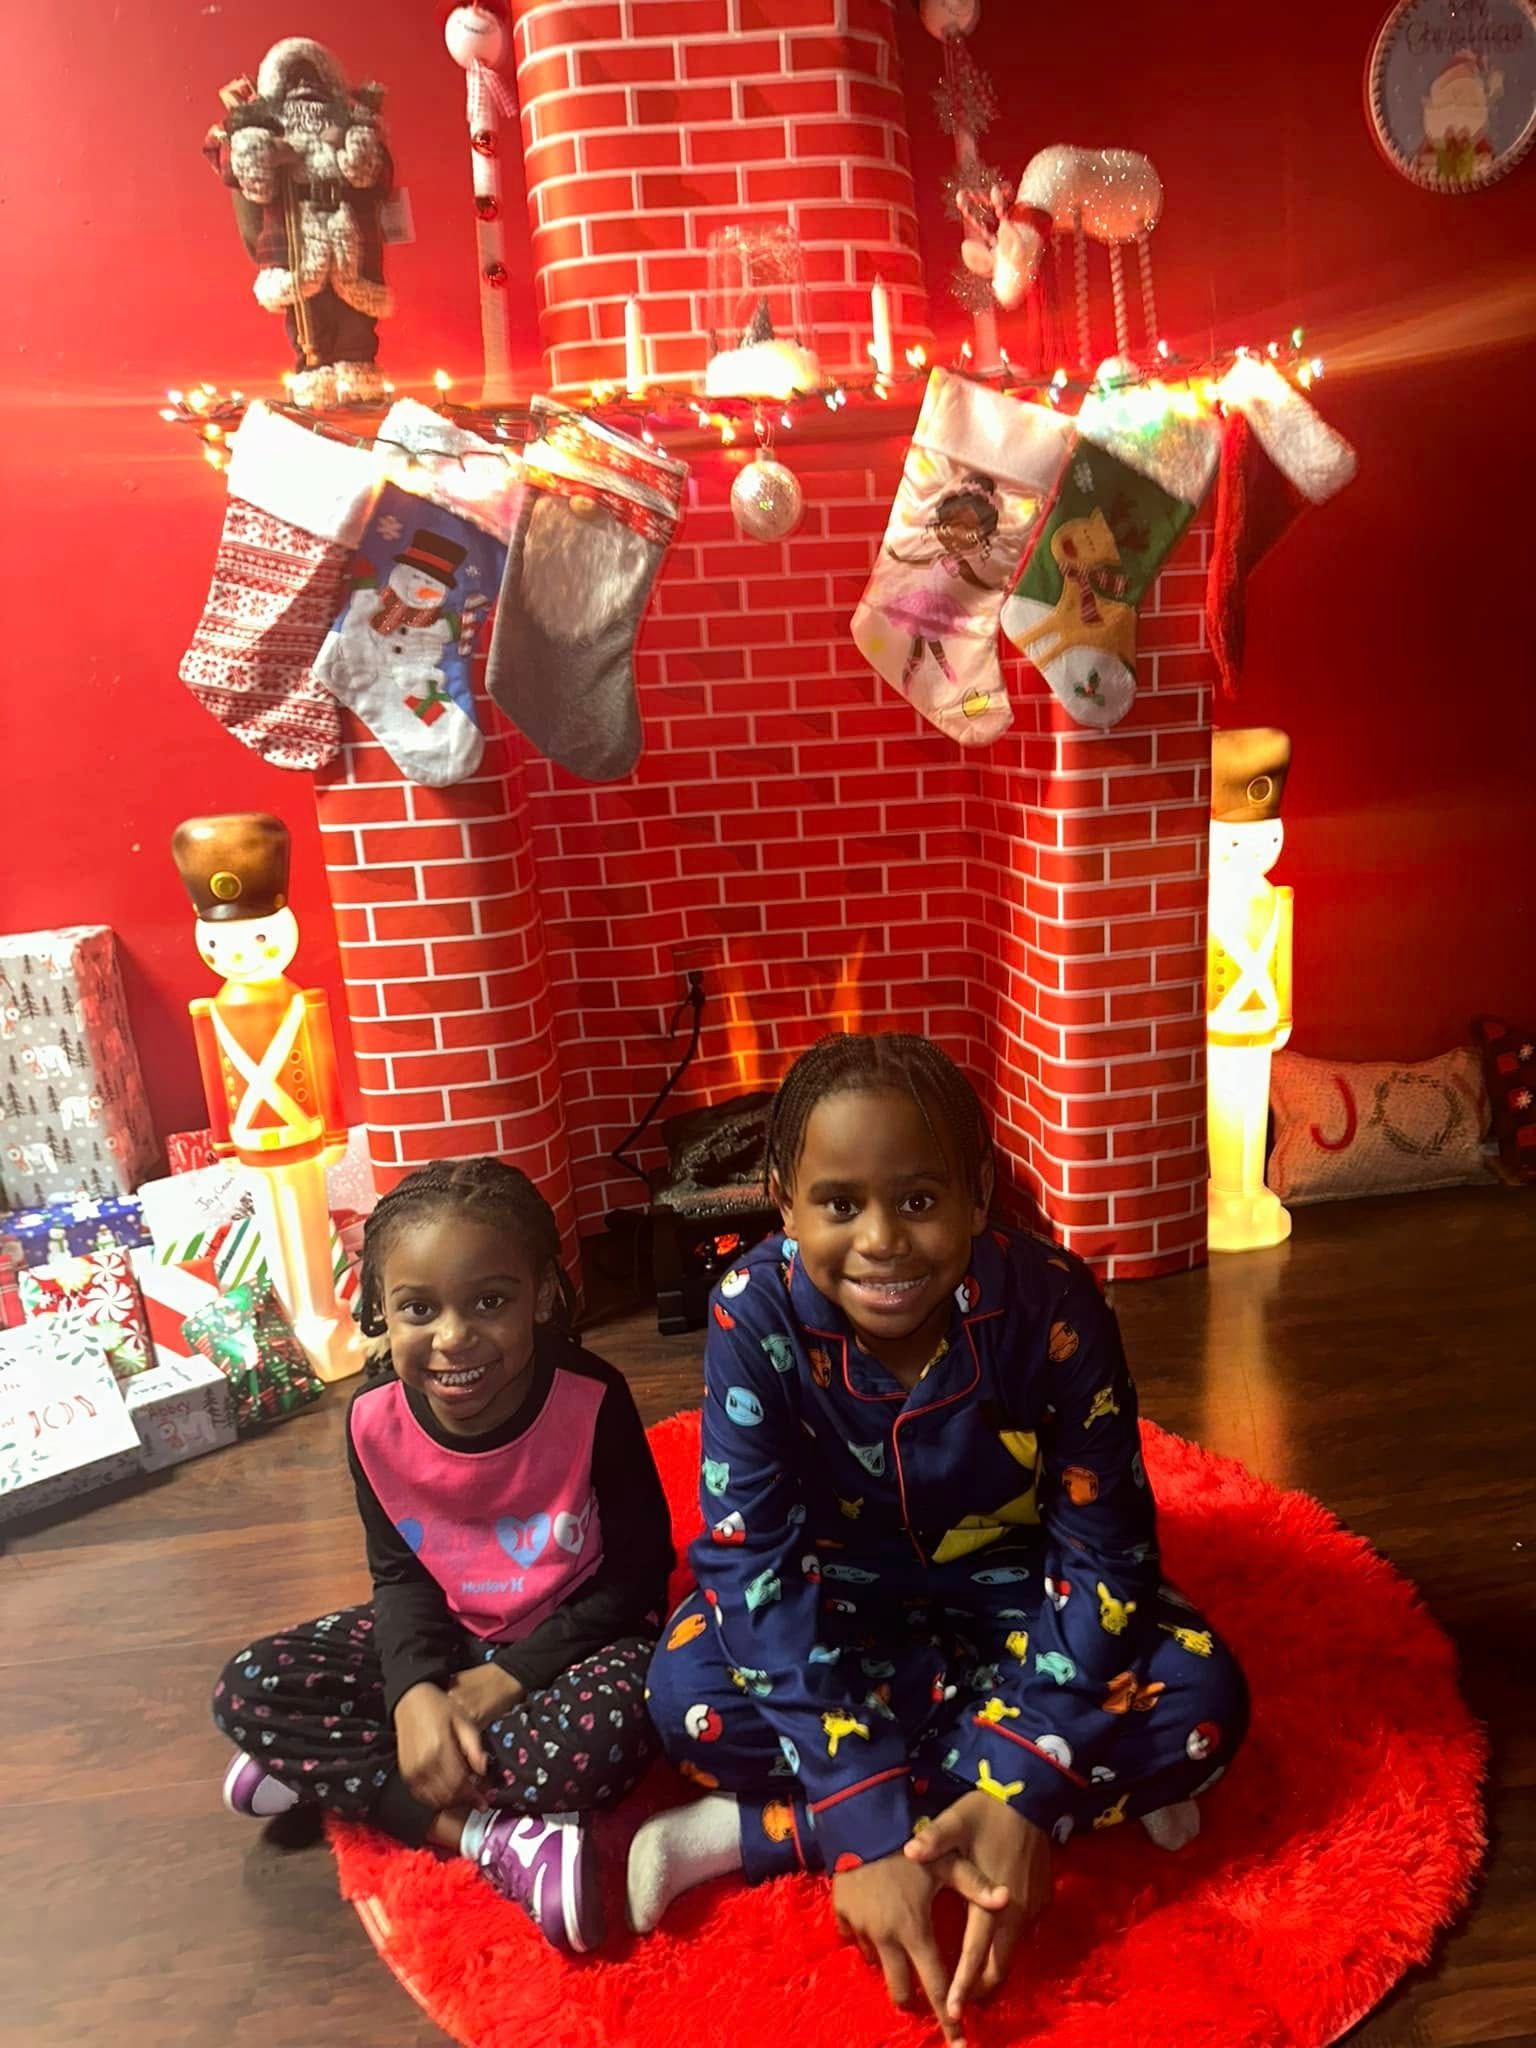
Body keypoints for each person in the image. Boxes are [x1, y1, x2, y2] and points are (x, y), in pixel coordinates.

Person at [632, 1034, 1248, 2037]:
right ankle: (1068, 1791)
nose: (881, 1239)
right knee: (688, 1699)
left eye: (918, 1200)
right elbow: (752, 1562)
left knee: (1202, 1700)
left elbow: (1107, 1548)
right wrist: (871, 1816)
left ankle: (777, 1831)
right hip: (840, 1602)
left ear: (977, 1190)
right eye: (839, 1204)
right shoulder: (751, 1311)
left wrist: (1025, 1782)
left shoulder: (1052, 1301)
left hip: (1020, 1594)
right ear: (782, 1201)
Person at [212, 1157, 674, 1954]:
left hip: (576, 1637)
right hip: (455, 1629)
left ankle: (342, 1772)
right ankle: (489, 1837)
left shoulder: (593, 1399)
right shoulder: (371, 1421)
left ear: (541, 1296)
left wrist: (506, 1679)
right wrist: (413, 1695)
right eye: (419, 1309)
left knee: (621, 1728)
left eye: (490, 1302)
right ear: (381, 1313)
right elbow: (399, 1577)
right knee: (247, 1688)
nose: (454, 1336)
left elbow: (639, 1572)